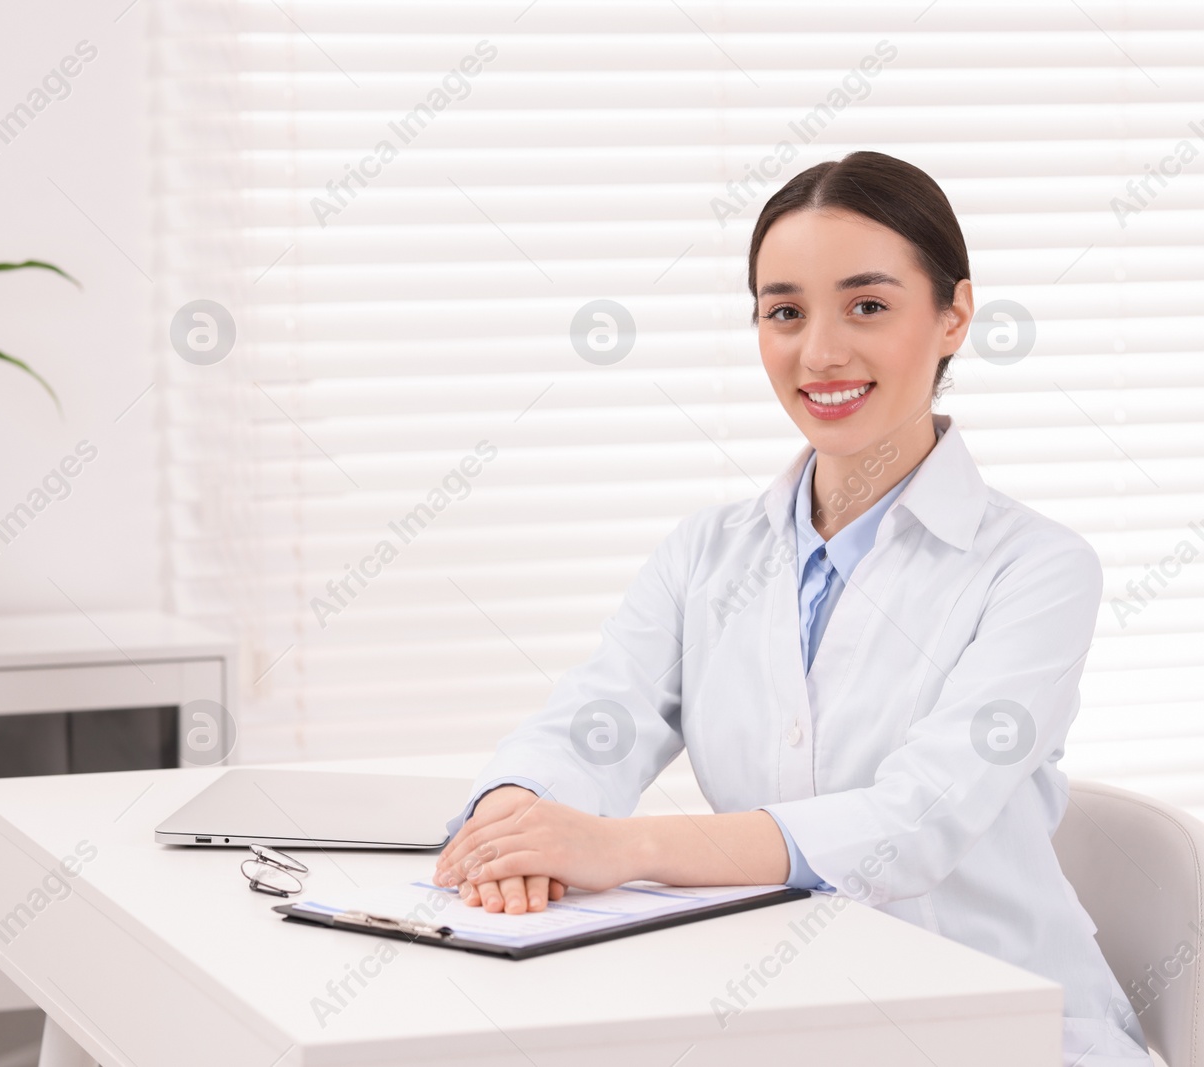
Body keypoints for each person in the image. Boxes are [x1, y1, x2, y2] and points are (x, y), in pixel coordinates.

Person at [432, 151, 1149, 1065]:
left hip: (999, 1023)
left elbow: (912, 823)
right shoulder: (709, 551)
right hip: (787, 1013)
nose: (821, 353)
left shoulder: (1037, 569)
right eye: (785, 312)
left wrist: (621, 846)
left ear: (955, 316)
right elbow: (596, 718)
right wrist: (515, 818)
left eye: (869, 306)